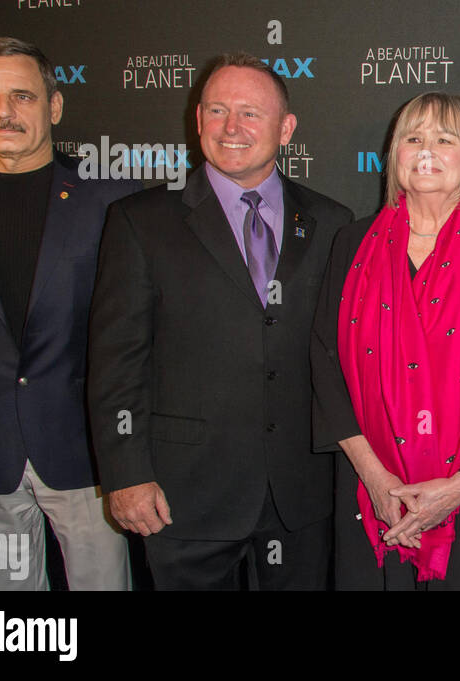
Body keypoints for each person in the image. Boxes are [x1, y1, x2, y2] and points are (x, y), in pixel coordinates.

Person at [87, 53, 352, 590]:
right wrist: (126, 473)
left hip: (301, 493)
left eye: (250, 113)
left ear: (286, 127)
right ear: (198, 118)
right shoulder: (141, 221)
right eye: (216, 110)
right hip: (183, 497)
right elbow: (117, 360)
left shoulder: (331, 223)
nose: (231, 127)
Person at [0, 37, 137, 590]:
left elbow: (136, 341)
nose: (4, 112)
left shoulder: (113, 203)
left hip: (86, 454)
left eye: (22, 96)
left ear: (55, 106)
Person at [312, 92, 460, 590]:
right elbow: (325, 365)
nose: (426, 150)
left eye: (444, 139)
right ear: (394, 155)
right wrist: (376, 479)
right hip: (374, 500)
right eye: (413, 138)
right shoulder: (350, 245)